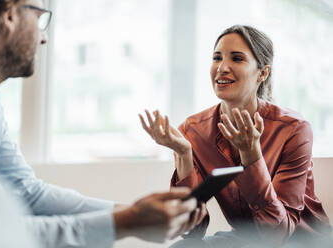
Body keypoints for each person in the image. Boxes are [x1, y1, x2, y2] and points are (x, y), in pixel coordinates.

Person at [0, 0, 207, 247]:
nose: (43, 38)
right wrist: (129, 221)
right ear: (10, 16)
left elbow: (29, 194)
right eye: (39, 18)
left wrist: (137, 212)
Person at [139, 25, 332, 247]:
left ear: (262, 73)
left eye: (237, 59)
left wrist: (252, 157)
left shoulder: (294, 129)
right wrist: (183, 154)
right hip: (246, 239)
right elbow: (192, 231)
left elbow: (277, 234)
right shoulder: (193, 130)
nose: (222, 67)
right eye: (217, 58)